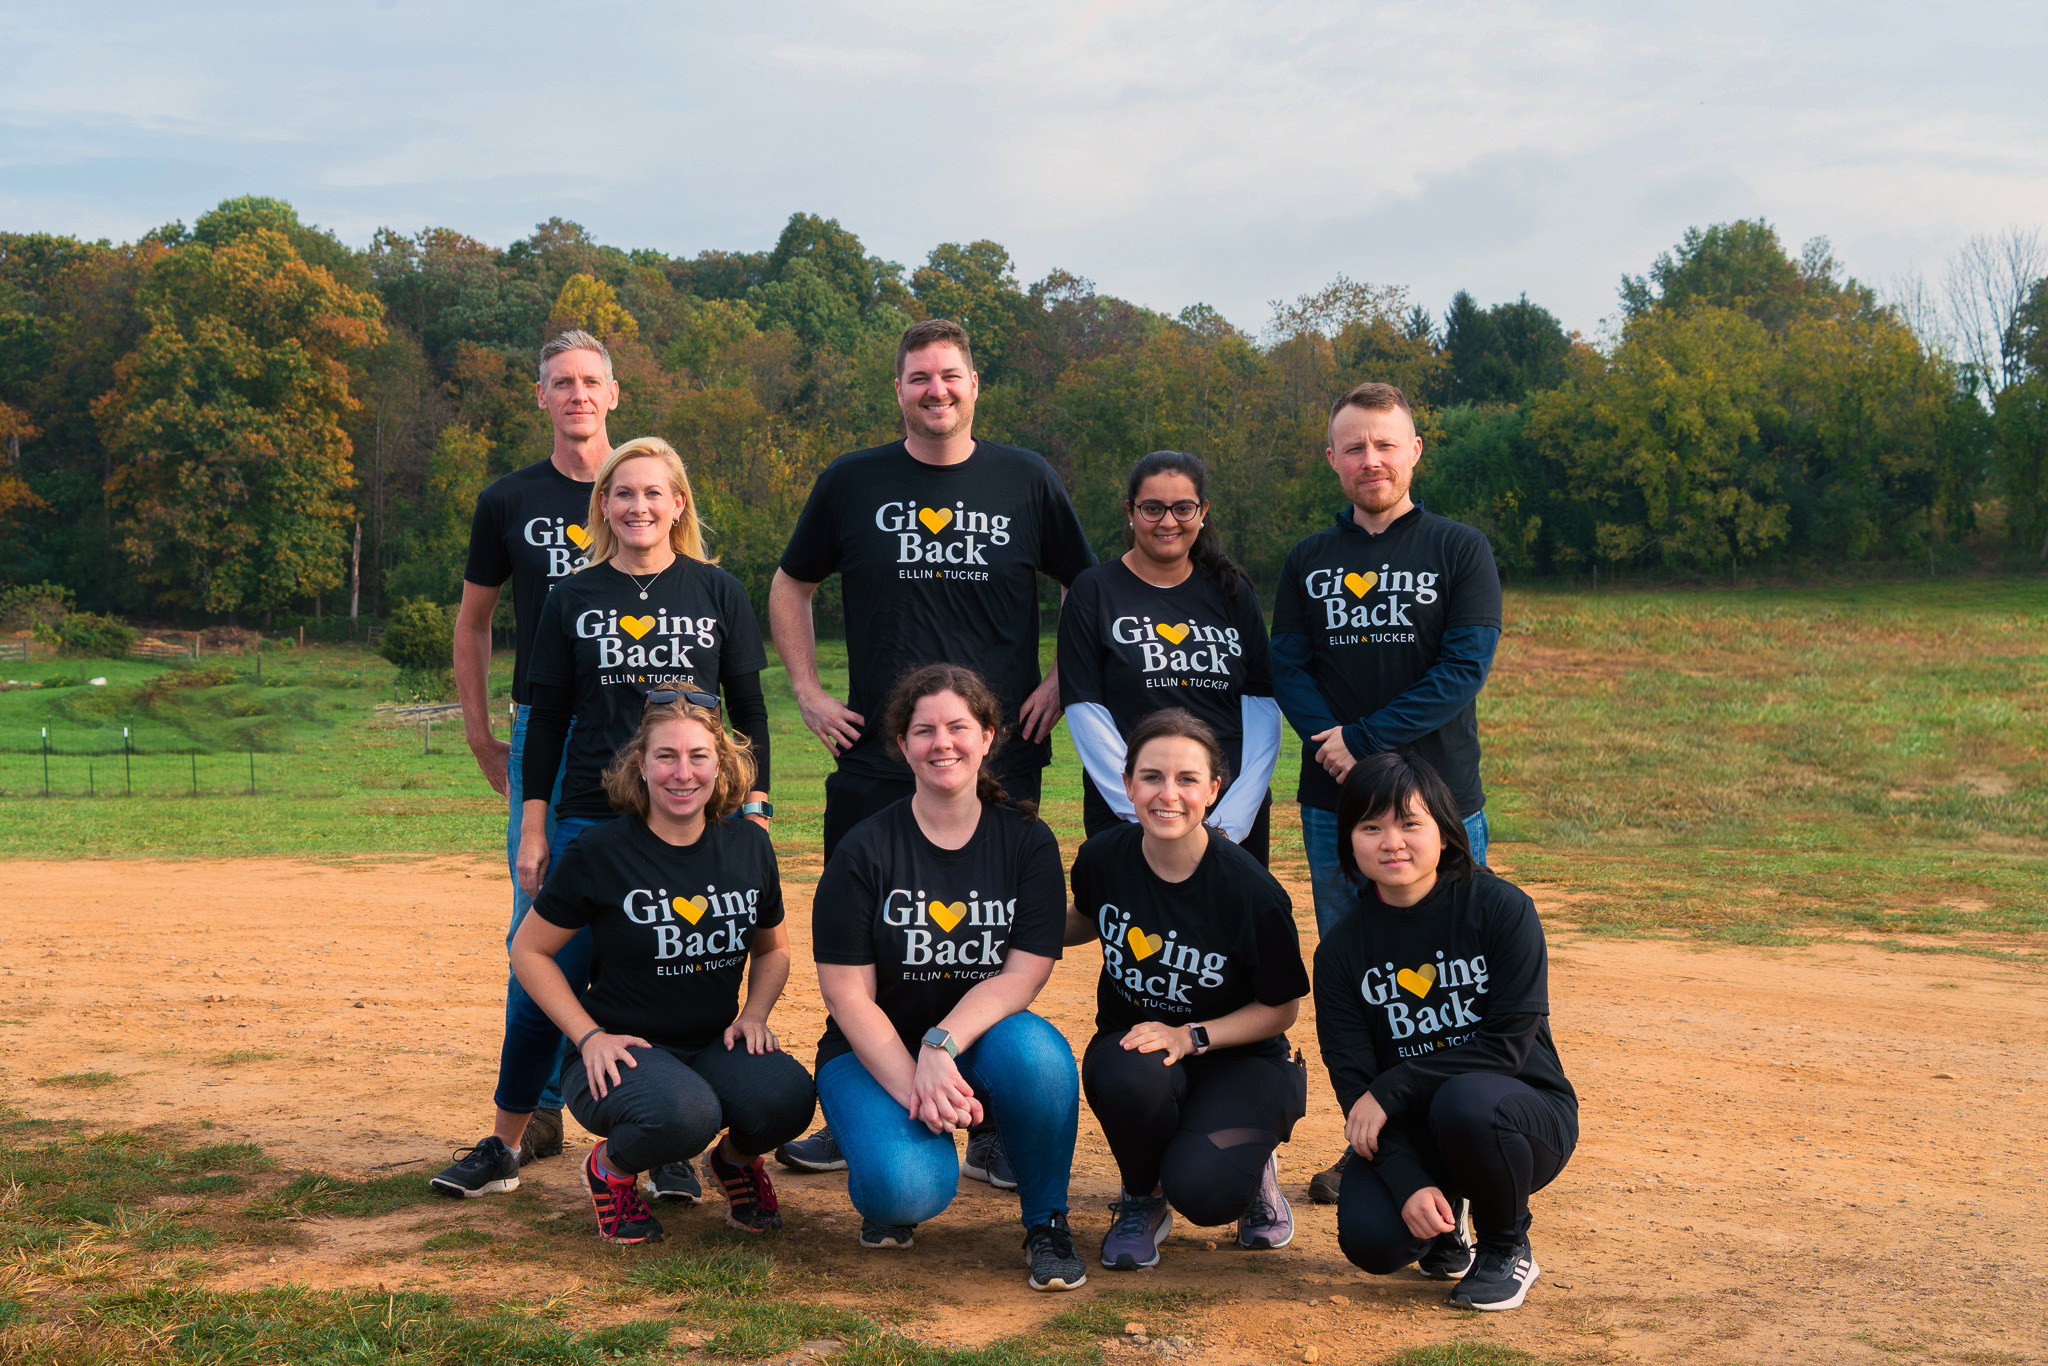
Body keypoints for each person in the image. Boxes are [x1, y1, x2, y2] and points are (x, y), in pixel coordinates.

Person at [770, 317, 1095, 1178]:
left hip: (998, 753)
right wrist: (807, 691)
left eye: (949, 375)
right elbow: (790, 580)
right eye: (919, 378)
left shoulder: (1025, 479)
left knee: (986, 929)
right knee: (869, 934)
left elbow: (1087, 586)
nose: (935, 391)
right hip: (880, 755)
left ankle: (988, 1116)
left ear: (974, 384)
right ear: (899, 391)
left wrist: (1062, 678)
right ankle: (858, 1101)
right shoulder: (853, 481)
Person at [436, 435, 773, 1204]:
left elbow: (749, 709)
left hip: (694, 822)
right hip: (590, 820)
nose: (638, 507)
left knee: (674, 980)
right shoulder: (573, 597)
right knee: (538, 975)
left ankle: (669, 1148)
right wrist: (532, 824)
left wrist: (754, 809)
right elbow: (547, 715)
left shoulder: (717, 592)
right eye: (623, 495)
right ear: (604, 508)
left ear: (678, 505)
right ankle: (504, 1141)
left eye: (654, 493)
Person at [1269, 381, 1502, 1203]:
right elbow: (1287, 666)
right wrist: (1333, 750)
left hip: (1441, 802)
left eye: (1385, 444)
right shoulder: (1309, 560)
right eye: (1354, 447)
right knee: (1360, 976)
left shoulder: (1458, 549)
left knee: (1453, 976)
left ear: (1413, 452)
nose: (1371, 459)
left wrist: (1360, 742)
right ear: (1332, 459)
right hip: (1336, 808)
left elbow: (1462, 670)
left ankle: (1456, 1131)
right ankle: (1370, 1141)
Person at [809, 664, 1086, 1292]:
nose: (943, 744)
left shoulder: (1026, 840)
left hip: (975, 1041)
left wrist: (941, 1046)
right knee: (905, 1190)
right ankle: (886, 1164)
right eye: (924, 730)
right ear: (902, 745)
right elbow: (847, 994)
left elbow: (1023, 975)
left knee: (1042, 1057)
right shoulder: (865, 847)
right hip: (869, 1051)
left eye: (959, 727)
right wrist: (917, 1083)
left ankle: (1047, 1221)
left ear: (988, 736)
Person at [509, 701, 813, 1242]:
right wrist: (588, 1036)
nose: (683, 772)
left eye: (698, 756)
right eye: (666, 756)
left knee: (788, 1097)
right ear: (641, 765)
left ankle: (736, 1164)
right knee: (685, 1115)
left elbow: (773, 950)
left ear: (720, 766)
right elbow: (529, 952)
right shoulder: (600, 851)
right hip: (619, 1052)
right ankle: (611, 1170)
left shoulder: (748, 845)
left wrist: (756, 1012)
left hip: (713, 1043)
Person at [436, 329, 613, 1195]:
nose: (576, 394)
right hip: (548, 725)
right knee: (538, 917)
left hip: (644, 730)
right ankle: (536, 1111)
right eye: (560, 383)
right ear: (539, 397)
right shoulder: (508, 500)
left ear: (613, 393)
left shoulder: (645, 485)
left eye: (590, 380)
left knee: (656, 908)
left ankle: (656, 1101)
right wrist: (480, 736)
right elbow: (473, 622)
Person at [1314, 751, 1576, 1312]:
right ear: (1349, 840)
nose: (1392, 843)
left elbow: (1506, 1046)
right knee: (1373, 1241)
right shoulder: (1340, 952)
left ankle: (1506, 1246)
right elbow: (1355, 1082)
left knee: (1466, 1100)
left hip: (1521, 1116)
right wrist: (1406, 1179)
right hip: (1415, 1129)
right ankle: (1445, 1224)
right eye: (1371, 826)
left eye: (1410, 823)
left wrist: (1393, 1087)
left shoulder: (1501, 909)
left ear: (1443, 830)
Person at [1066, 709, 1309, 1270]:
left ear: (1214, 790)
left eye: (1187, 779)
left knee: (1206, 1194)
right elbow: (1084, 918)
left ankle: (1253, 1166)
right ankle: (1141, 1198)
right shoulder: (1104, 857)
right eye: (1151, 777)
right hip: (1141, 1044)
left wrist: (1192, 1034)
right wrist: (1007, 922)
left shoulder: (1252, 891)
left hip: (1238, 1055)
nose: (1166, 794)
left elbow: (1282, 1008)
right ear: (1127, 784)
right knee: (1128, 1071)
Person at [1059, 450, 1280, 863]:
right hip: (1133, 813)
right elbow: (1085, 710)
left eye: (1182, 508)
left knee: (1233, 928)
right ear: (1130, 511)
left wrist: (1234, 817)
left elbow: (1263, 707)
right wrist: (1145, 810)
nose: (1167, 521)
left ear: (1202, 512)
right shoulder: (1094, 591)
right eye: (1152, 508)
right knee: (1140, 929)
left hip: (1231, 813)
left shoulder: (1231, 590)